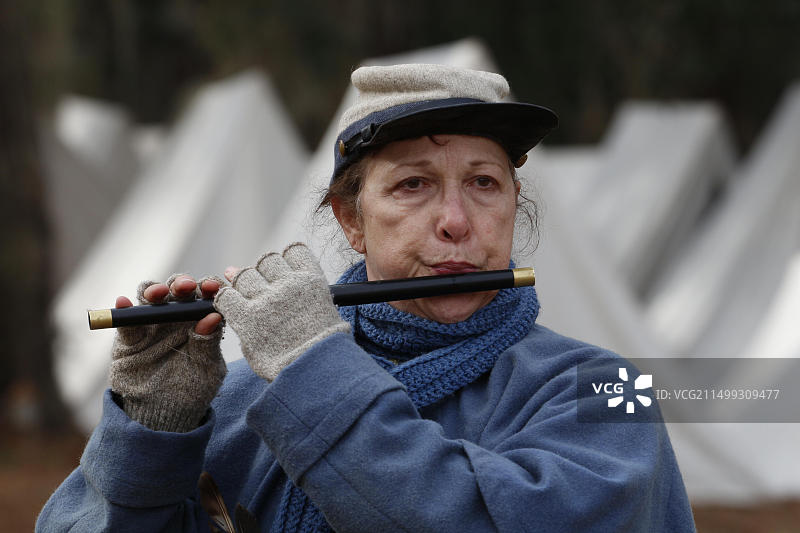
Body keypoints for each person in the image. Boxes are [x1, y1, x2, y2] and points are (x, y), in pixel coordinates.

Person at [38, 64, 696, 532]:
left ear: (513, 205)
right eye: (413, 184)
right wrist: (152, 431)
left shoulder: (608, 390)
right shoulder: (242, 401)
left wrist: (313, 372)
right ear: (351, 220)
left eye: (484, 183)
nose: (456, 221)